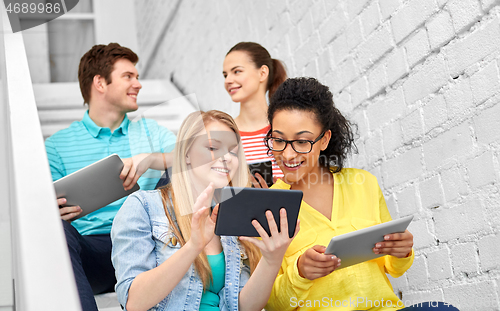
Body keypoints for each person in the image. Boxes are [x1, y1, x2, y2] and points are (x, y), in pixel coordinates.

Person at [264, 77, 458, 310]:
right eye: (278, 140)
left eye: (302, 142)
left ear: (324, 139)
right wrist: (300, 273)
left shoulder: (363, 183)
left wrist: (402, 251)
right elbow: (270, 304)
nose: (287, 154)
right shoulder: (267, 207)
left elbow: (394, 268)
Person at [111, 110, 299, 311]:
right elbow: (134, 302)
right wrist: (193, 246)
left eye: (233, 152)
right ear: (186, 154)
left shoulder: (230, 217)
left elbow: (242, 307)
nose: (226, 157)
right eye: (212, 147)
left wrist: (272, 260)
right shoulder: (143, 207)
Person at [44, 43, 176, 311]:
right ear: (100, 83)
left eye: (138, 77)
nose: (138, 84)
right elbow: (45, 206)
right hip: (94, 251)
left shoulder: (152, 132)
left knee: (175, 174)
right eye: (129, 76)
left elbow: (197, 159)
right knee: (54, 228)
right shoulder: (57, 146)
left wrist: (152, 158)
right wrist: (53, 211)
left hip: (148, 245)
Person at [222, 42, 287, 187]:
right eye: (225, 75)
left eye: (237, 71)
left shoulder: (288, 128)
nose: (228, 80)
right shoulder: (224, 134)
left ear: (262, 73)